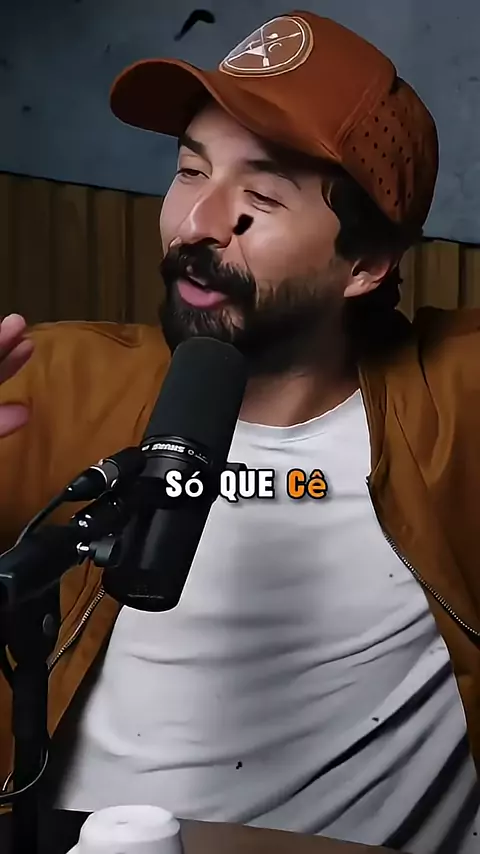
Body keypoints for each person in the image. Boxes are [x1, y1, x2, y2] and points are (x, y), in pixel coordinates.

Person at [0, 10, 479, 854]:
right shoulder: (47, 384)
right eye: (190, 170)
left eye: (261, 198)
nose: (195, 224)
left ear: (366, 265)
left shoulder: (455, 404)